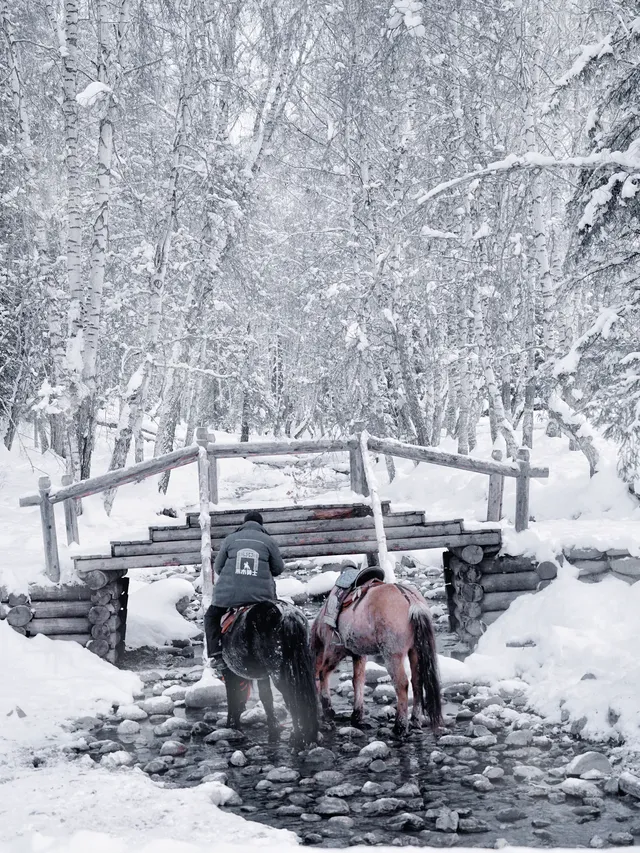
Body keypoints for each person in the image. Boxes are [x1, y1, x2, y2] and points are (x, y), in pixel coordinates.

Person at [204, 510, 286, 675]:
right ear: (261, 525)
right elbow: (278, 569)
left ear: (244, 523)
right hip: (261, 597)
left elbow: (218, 568)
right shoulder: (269, 541)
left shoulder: (230, 539)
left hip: (229, 596)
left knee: (211, 616)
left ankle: (216, 655)